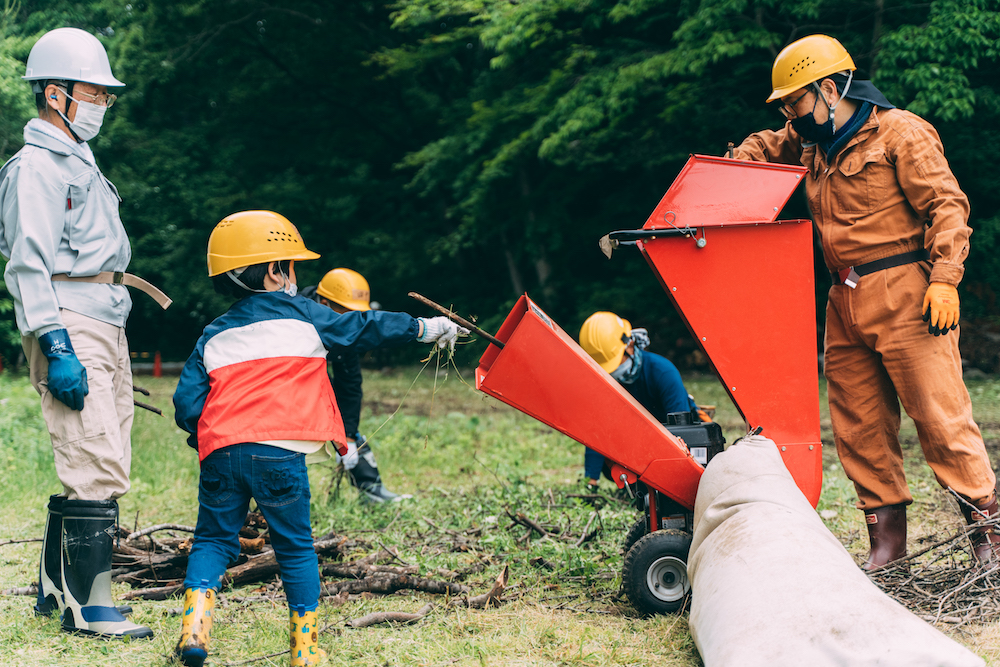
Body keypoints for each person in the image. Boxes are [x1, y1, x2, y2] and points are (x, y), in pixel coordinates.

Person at [732, 34, 999, 568]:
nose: (790, 114)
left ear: (829, 89)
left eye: (795, 101)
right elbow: (762, 149)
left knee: (940, 419)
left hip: (906, 293)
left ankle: (990, 538)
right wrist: (730, 168)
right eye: (784, 105)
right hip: (843, 298)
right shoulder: (809, 139)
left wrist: (945, 278)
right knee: (859, 426)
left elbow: (947, 205)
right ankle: (887, 547)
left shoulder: (901, 132)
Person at [171, 210, 465, 667]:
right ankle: (305, 649)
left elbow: (186, 405)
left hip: (221, 454)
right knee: (294, 547)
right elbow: (364, 327)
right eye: (292, 265)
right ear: (274, 271)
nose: (294, 275)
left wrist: (210, 439)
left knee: (211, 541)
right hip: (281, 456)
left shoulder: (213, 334)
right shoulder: (307, 317)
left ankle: (194, 631)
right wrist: (424, 328)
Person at [0, 27, 170, 639]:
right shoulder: (37, 169)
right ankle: (88, 605)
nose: (103, 102)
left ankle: (53, 586)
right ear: (54, 94)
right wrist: (56, 343)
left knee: (104, 446)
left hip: (104, 315)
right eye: (93, 91)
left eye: (105, 94)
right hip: (70, 320)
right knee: (94, 457)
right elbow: (27, 264)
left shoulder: (76, 160)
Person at [302, 268, 412, 503]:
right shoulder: (298, 319)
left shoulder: (347, 331)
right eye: (347, 312)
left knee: (349, 425)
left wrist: (349, 435)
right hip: (290, 381)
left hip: (318, 376)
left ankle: (371, 489)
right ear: (324, 302)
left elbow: (350, 384)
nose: (353, 320)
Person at [578, 311, 696, 490]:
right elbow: (598, 430)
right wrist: (590, 482)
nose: (613, 371)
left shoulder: (663, 372)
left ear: (630, 344)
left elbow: (683, 430)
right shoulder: (605, 384)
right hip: (637, 449)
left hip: (671, 441)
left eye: (616, 362)